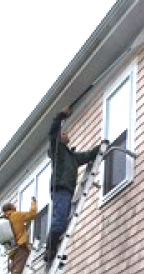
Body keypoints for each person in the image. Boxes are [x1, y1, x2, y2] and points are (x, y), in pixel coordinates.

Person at [46, 105, 103, 263]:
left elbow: (87, 155)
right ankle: (50, 250)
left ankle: (53, 249)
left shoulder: (72, 157)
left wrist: (101, 148)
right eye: (63, 133)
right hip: (61, 188)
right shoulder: (57, 150)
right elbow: (52, 132)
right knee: (59, 222)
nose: (66, 134)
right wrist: (61, 116)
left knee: (62, 221)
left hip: (68, 190)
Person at [0, 198, 37, 274]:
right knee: (17, 272)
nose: (16, 207)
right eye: (14, 206)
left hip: (12, 252)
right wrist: (34, 202)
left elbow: (18, 229)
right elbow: (32, 214)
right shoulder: (16, 215)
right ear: (11, 208)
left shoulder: (5, 219)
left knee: (14, 273)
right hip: (21, 248)